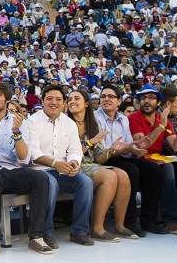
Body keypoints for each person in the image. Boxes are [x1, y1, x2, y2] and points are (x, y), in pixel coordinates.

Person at [0, 82, 53, 256]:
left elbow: (23, 157)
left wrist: (16, 133)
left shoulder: (19, 121)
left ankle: (36, 236)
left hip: (11, 171)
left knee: (41, 178)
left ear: (6, 99)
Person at [27, 85, 95, 246]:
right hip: (38, 171)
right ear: (42, 101)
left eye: (58, 99)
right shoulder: (31, 122)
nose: (53, 103)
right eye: (49, 98)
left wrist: (74, 162)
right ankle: (45, 233)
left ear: (64, 103)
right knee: (50, 183)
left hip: (62, 169)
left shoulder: (69, 123)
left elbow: (75, 150)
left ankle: (79, 231)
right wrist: (54, 164)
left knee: (85, 182)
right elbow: (32, 153)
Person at [66, 89, 138, 241]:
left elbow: (98, 158)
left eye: (76, 98)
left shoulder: (93, 124)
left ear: (86, 104)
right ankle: (97, 228)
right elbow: (68, 153)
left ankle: (120, 226)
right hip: (72, 165)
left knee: (123, 175)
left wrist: (112, 149)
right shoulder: (64, 123)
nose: (72, 101)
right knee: (109, 175)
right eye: (70, 99)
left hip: (91, 165)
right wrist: (91, 142)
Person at [94, 85, 153, 237]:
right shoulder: (94, 117)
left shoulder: (124, 120)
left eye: (110, 96)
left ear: (119, 101)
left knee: (153, 169)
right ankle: (129, 221)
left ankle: (150, 220)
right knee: (131, 170)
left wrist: (135, 147)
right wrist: (125, 150)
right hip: (102, 158)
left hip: (119, 155)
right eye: (103, 96)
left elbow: (126, 146)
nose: (106, 99)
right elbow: (101, 150)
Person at [128, 84, 177, 234]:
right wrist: (162, 126)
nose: (146, 101)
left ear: (158, 103)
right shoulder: (134, 117)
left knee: (172, 167)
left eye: (151, 98)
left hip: (157, 159)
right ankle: (170, 218)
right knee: (166, 168)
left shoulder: (162, 118)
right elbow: (141, 144)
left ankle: (172, 218)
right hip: (138, 158)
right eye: (143, 98)